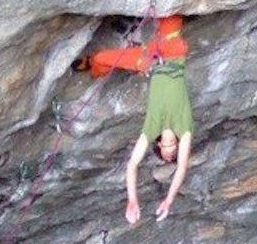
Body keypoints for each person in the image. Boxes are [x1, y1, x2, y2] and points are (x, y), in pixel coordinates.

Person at [82, 15, 193, 223]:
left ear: (159, 144)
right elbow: (182, 168)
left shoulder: (152, 128)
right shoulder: (184, 127)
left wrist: (132, 200)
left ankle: (92, 66)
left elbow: (132, 165)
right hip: (173, 52)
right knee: (171, 15)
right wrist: (168, 201)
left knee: (100, 59)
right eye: (173, 154)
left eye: (166, 154)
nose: (171, 153)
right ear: (177, 145)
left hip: (148, 60)